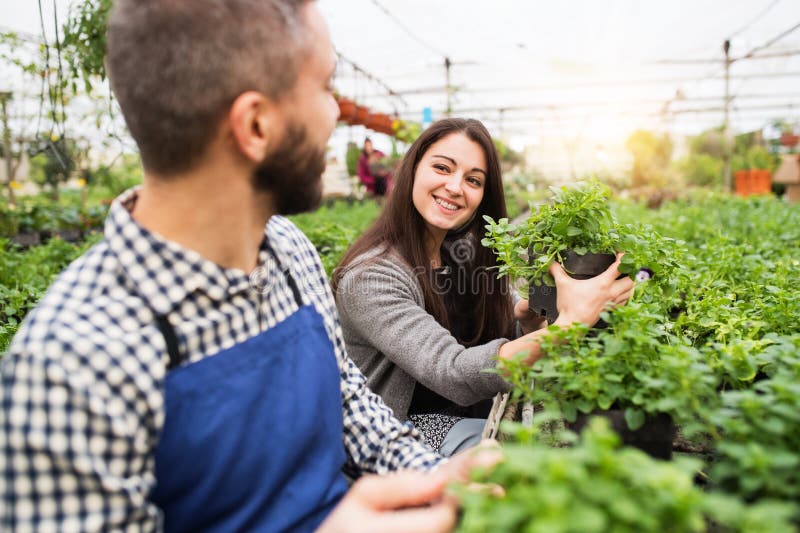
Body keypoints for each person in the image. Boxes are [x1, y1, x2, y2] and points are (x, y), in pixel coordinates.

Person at [0, 2, 483, 531]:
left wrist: (435, 478)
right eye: (325, 88)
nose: (338, 113)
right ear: (255, 124)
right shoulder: (68, 364)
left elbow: (347, 400)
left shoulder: (287, 249)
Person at [333, 118, 635, 456]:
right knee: (527, 455)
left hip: (468, 413)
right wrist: (569, 325)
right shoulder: (371, 276)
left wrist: (525, 316)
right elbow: (452, 372)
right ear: (412, 170)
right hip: (394, 432)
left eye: (473, 179)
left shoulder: (462, 252)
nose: (455, 187)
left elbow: (499, 320)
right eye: (443, 168)